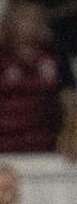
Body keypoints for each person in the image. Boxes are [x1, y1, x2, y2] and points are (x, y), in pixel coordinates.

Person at [0, 10, 65, 155]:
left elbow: (65, 96)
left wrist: (65, 135)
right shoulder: (3, 55)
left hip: (42, 140)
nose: (31, 24)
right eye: (25, 18)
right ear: (11, 23)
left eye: (35, 19)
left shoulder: (53, 54)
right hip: (6, 141)